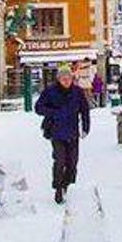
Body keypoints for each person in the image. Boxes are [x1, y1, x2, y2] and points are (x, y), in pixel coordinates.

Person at [34, 66, 91, 204]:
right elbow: (38, 108)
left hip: (72, 132)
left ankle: (70, 186)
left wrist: (85, 127)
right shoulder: (50, 92)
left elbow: (85, 110)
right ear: (58, 79)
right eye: (63, 79)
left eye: (69, 78)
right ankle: (59, 188)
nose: (66, 81)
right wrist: (54, 113)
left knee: (72, 162)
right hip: (56, 132)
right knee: (60, 161)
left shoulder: (77, 92)